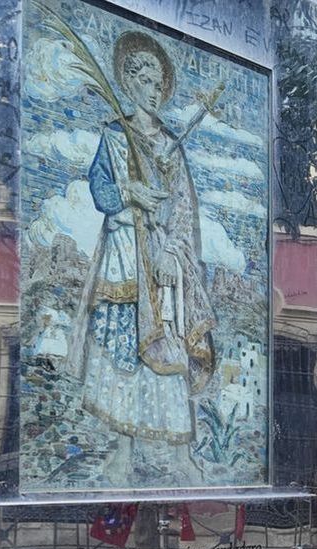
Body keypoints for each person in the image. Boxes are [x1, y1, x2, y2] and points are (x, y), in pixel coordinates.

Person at [70, 31, 221, 482]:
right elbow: (100, 191)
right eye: (143, 81)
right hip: (123, 258)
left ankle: (179, 457)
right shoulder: (115, 137)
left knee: (166, 351)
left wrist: (172, 252)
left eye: (158, 83)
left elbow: (184, 206)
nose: (152, 91)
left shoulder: (171, 145)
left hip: (160, 261)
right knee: (121, 351)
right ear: (128, 84)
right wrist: (128, 192)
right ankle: (123, 451)